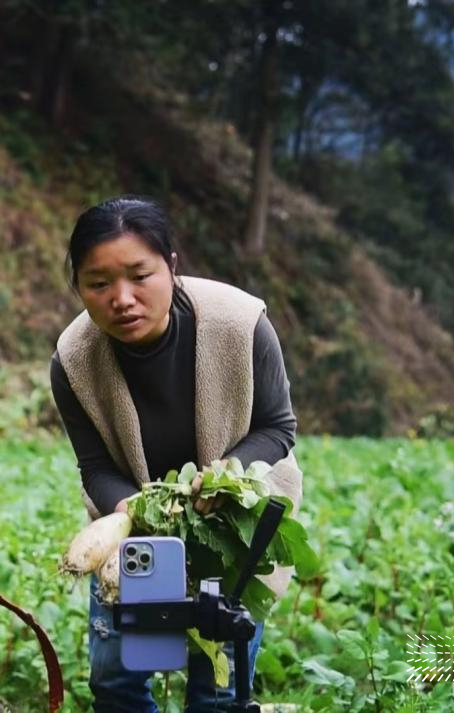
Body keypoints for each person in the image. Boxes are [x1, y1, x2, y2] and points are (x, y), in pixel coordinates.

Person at [49, 195, 300, 712]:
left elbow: (278, 428)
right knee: (116, 684)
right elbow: (95, 467)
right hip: (134, 533)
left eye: (140, 276)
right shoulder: (73, 360)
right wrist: (131, 510)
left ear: (172, 268)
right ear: (78, 287)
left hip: (234, 525)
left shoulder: (240, 325)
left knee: (218, 692)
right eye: (99, 284)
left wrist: (225, 475)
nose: (122, 298)